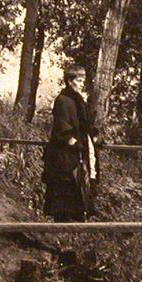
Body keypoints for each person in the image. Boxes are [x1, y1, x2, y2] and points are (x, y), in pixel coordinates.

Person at [42, 64, 97, 221]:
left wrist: (93, 136)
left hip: (77, 151)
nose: (81, 84)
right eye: (79, 80)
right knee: (64, 187)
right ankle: (61, 227)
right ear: (70, 81)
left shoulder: (79, 100)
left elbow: (85, 124)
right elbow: (61, 127)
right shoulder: (63, 100)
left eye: (82, 80)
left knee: (78, 184)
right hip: (63, 154)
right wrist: (73, 142)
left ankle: (73, 228)